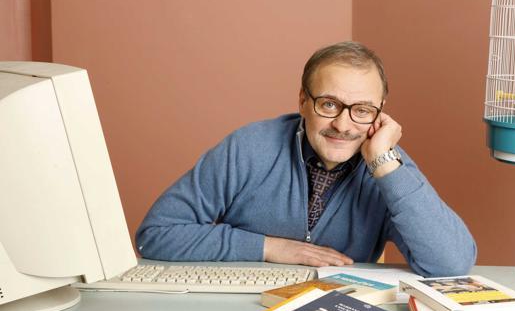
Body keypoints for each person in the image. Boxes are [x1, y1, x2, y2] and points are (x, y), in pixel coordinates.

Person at [136, 41, 476, 277]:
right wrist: (270, 248)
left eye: (362, 110)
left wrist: (386, 166)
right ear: (302, 101)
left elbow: (452, 264)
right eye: (329, 104)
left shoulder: (387, 166)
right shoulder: (248, 147)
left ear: (380, 113)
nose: (343, 125)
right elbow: (156, 233)